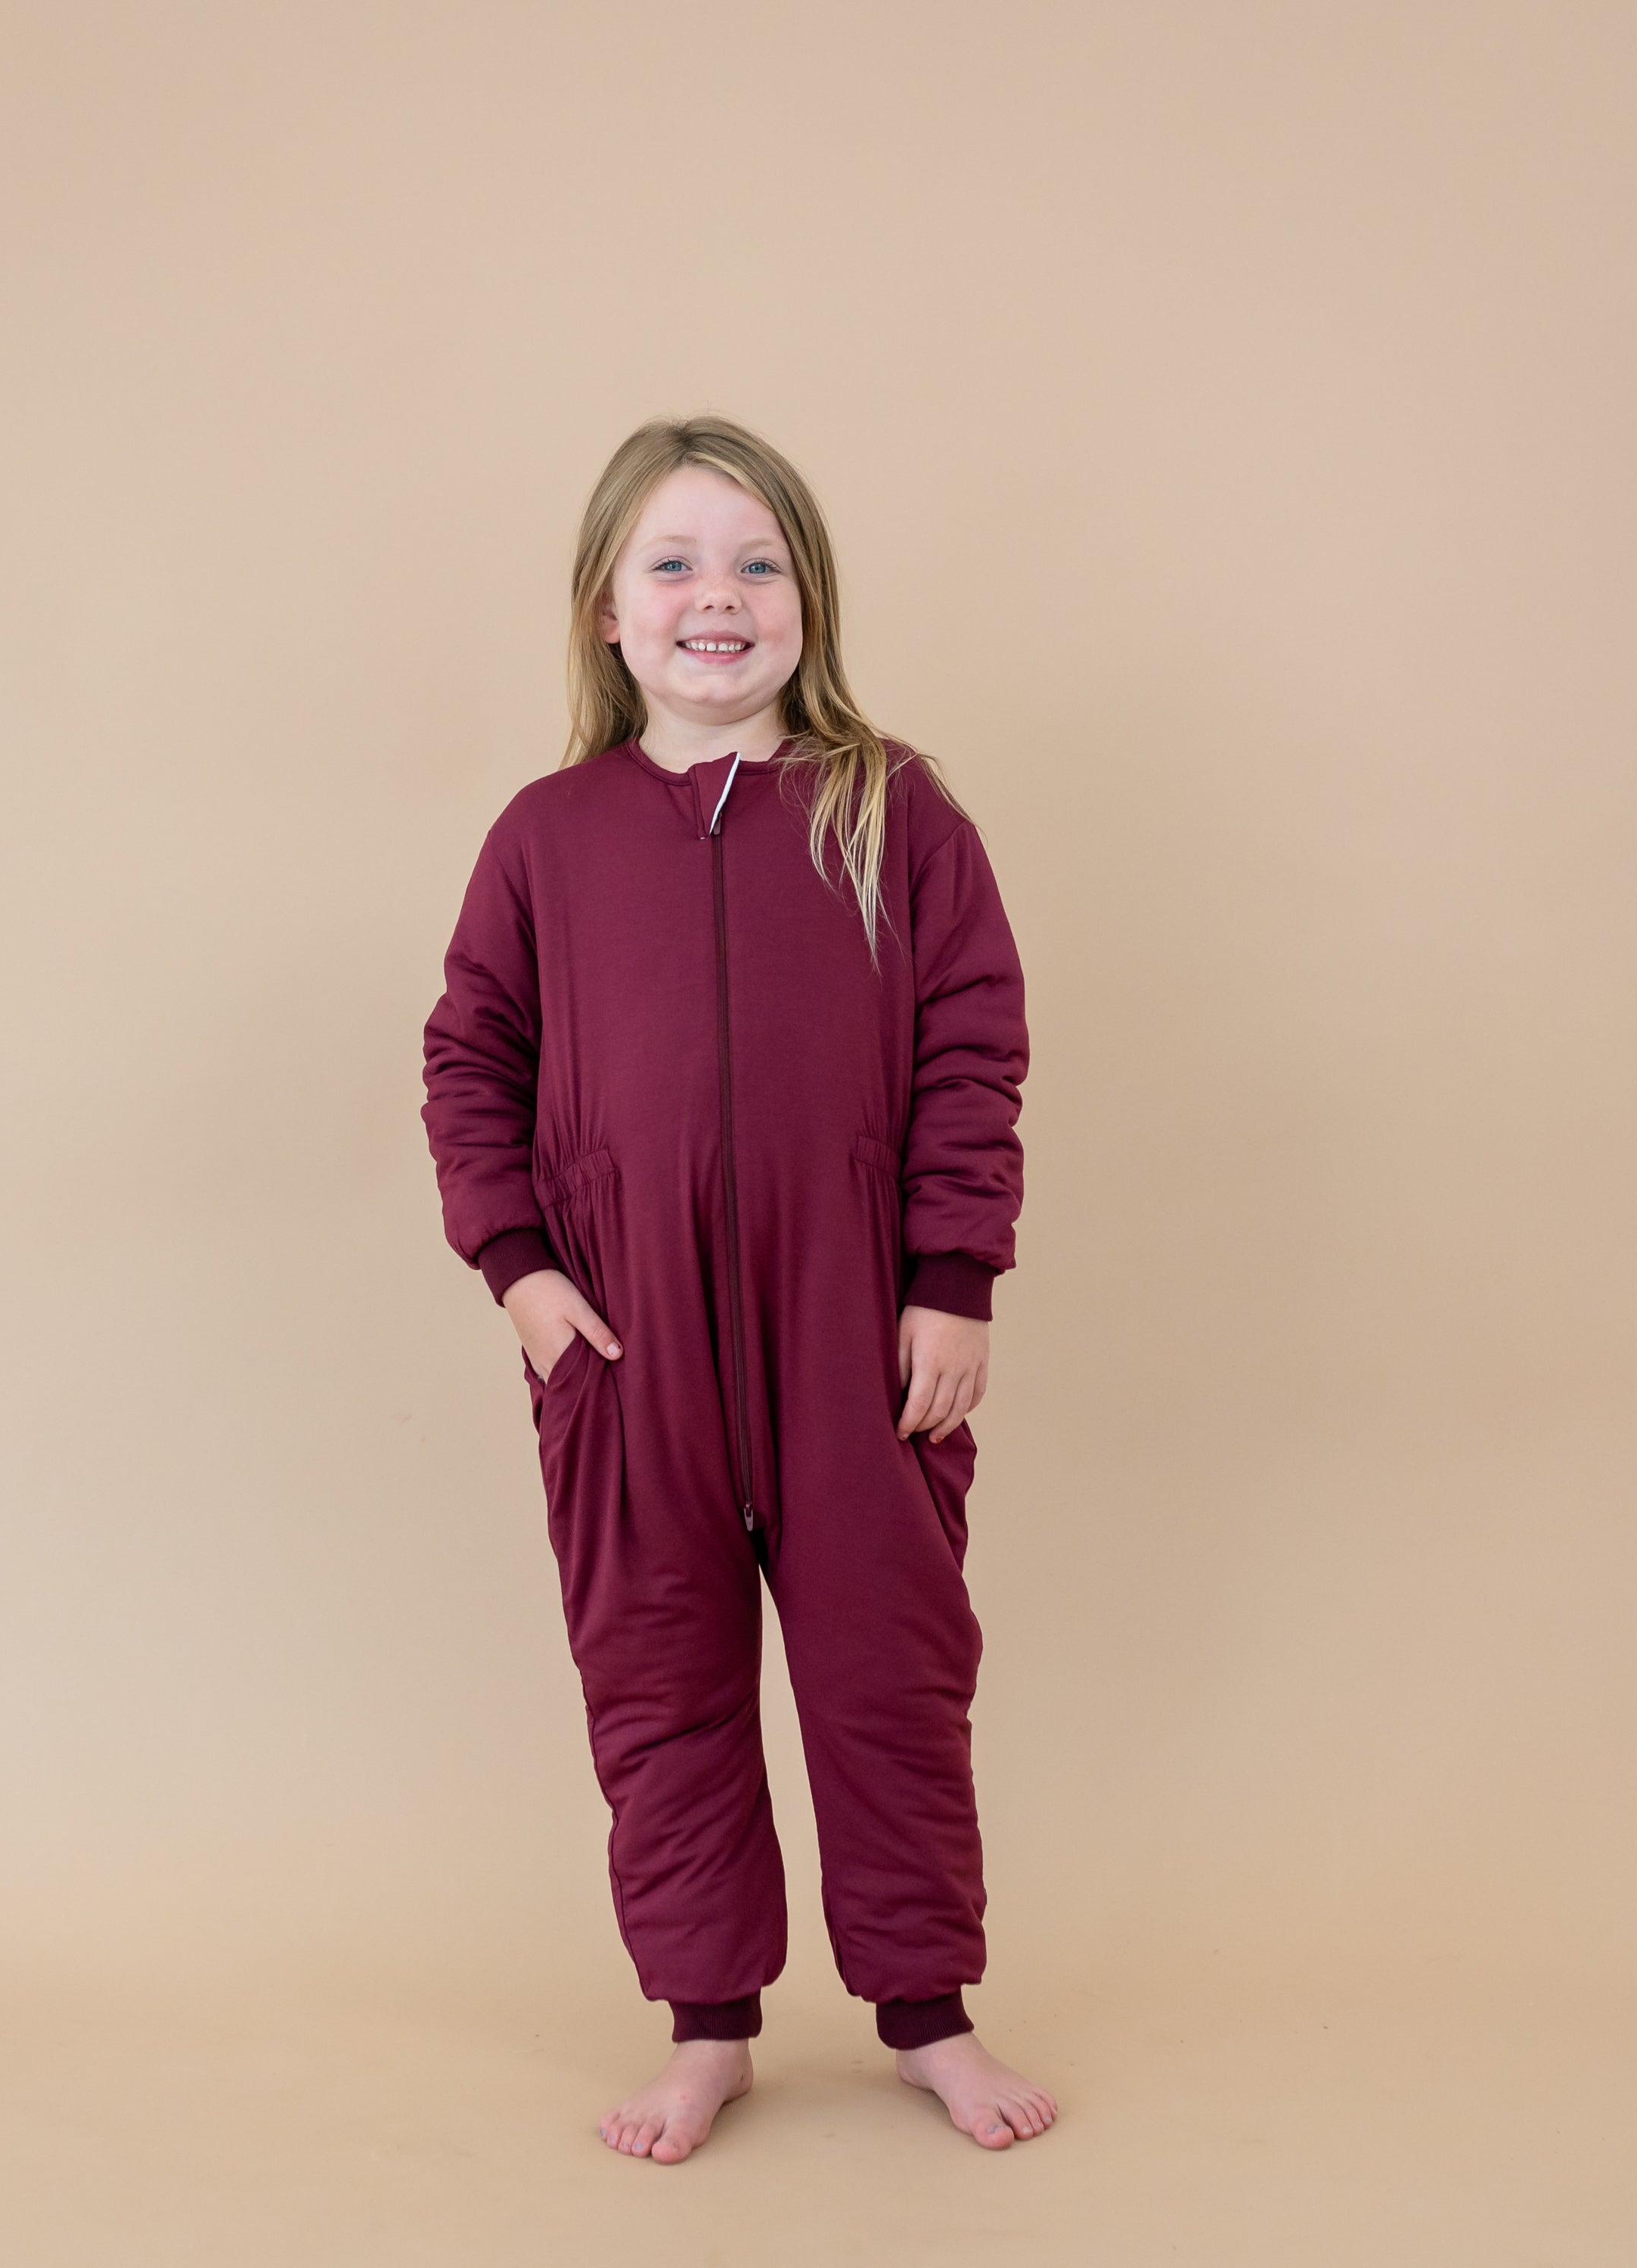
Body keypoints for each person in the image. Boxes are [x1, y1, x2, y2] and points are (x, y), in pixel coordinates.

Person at [420, 415, 1056, 2162]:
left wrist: (951, 1275)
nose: (722, 596)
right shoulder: (548, 836)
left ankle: (925, 2010)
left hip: (858, 1334)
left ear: (810, 601)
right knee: (661, 1671)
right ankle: (708, 2025)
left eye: (760, 562)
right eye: (677, 564)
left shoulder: (895, 810)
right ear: (608, 616)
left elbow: (972, 1048)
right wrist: (523, 1274)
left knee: (892, 1670)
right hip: (629, 1348)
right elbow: (470, 1055)